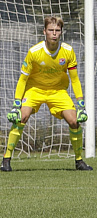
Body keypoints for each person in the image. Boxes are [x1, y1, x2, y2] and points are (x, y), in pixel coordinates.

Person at [2, 16, 92, 172]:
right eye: (51, 30)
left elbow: (75, 80)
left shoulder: (68, 51)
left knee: (74, 121)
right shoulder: (34, 52)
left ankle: (79, 161)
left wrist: (81, 105)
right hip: (35, 90)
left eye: (57, 30)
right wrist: (16, 104)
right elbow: (22, 80)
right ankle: (6, 160)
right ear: (45, 31)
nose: (54, 34)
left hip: (58, 92)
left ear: (61, 32)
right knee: (21, 117)